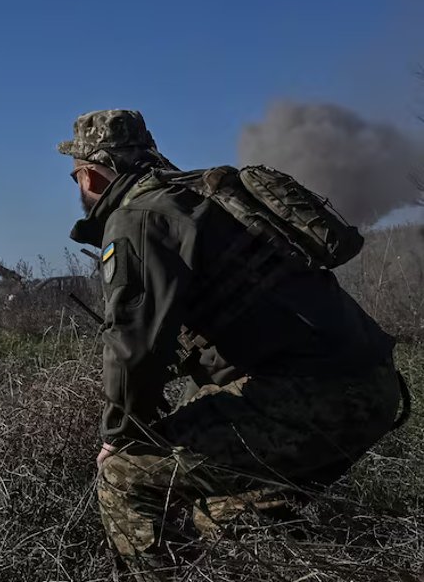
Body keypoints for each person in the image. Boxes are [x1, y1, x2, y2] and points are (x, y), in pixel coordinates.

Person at [59, 109, 404, 574]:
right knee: (225, 512)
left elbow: (134, 343)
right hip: (372, 387)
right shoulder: (204, 199)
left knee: (123, 476)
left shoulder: (138, 218)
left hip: (313, 395)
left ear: (93, 175)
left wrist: (119, 436)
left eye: (77, 175)